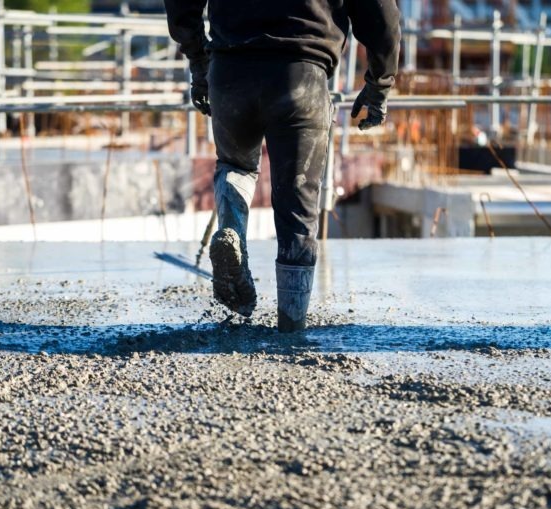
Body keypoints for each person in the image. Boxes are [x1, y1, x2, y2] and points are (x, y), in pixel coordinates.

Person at [164, 0, 400, 332]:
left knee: (236, 166)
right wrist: (380, 82)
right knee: (297, 207)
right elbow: (380, 13)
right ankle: (291, 324)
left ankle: (231, 230)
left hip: (230, 72)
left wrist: (198, 61)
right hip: (301, 74)